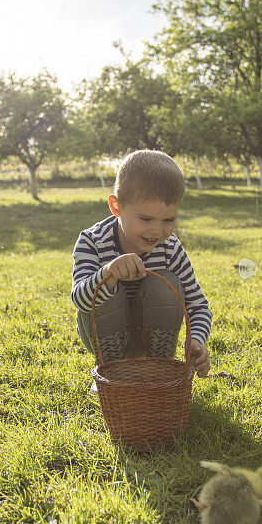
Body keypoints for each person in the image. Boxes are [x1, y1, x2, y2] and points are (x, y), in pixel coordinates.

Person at [71, 149, 212, 379]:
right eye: (145, 219)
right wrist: (108, 272)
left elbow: (198, 306)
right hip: (108, 336)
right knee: (104, 287)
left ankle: (158, 367)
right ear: (116, 207)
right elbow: (80, 300)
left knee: (165, 283)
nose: (157, 230)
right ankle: (112, 372)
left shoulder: (170, 248)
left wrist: (196, 341)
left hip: (153, 338)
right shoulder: (92, 241)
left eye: (169, 220)